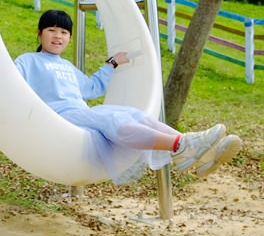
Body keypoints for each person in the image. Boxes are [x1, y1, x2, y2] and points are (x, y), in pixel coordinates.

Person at [14, 9, 242, 185]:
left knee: (133, 114)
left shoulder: (67, 66)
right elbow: (11, 84)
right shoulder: (27, 61)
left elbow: (92, 88)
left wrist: (112, 63)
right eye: (52, 30)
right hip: (59, 116)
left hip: (82, 112)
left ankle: (198, 153)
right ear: (40, 33)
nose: (58, 36)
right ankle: (182, 145)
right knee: (113, 121)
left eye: (64, 32)